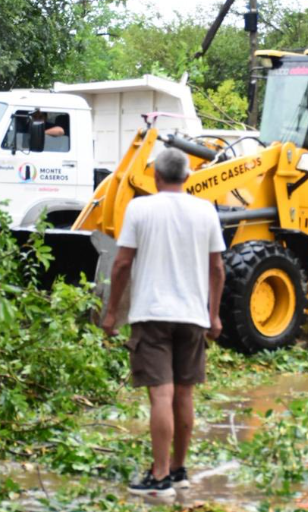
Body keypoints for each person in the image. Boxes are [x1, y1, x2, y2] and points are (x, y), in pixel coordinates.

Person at [99, 148, 226, 497]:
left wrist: (111, 313)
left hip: (152, 315)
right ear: (187, 177)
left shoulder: (140, 208)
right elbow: (217, 268)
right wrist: (213, 314)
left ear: (156, 177)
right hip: (193, 317)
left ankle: (158, 478)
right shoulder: (205, 211)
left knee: (162, 395)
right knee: (184, 394)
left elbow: (122, 264)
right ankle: (178, 470)